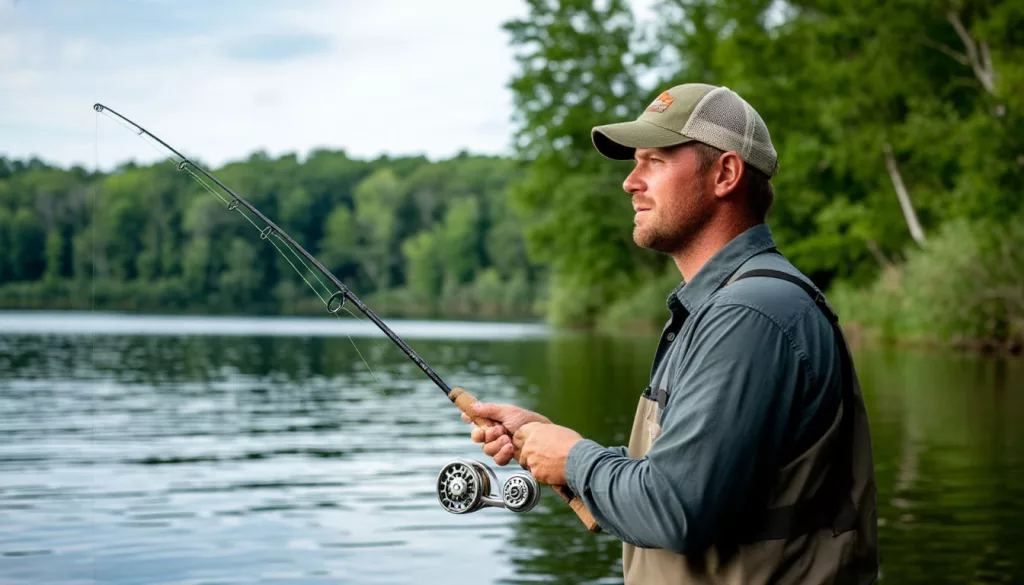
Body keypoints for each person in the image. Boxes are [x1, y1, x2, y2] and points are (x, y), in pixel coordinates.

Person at [464, 83, 879, 584]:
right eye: (634, 162)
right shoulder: (722, 307)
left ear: (725, 174)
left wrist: (574, 459)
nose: (630, 182)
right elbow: (685, 479)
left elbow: (675, 508)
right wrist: (547, 441)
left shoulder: (749, 315)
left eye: (654, 161)